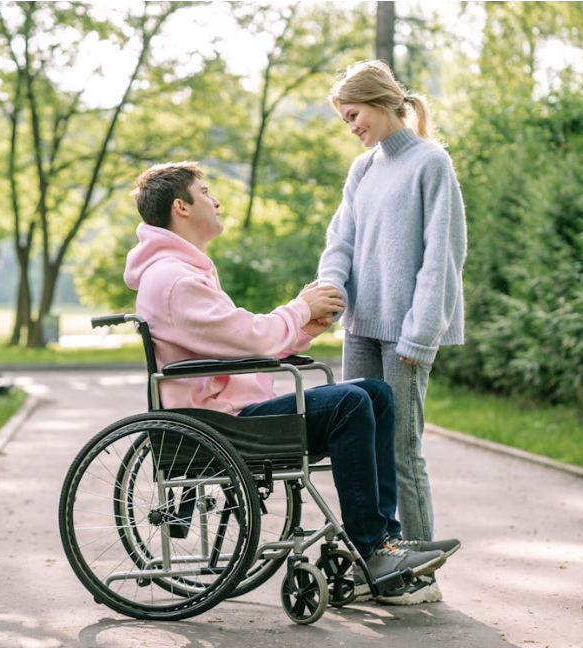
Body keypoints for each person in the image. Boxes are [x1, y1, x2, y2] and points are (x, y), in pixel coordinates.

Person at [123, 160, 450, 603]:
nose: (215, 200)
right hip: (218, 424)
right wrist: (300, 305)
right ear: (181, 207)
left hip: (225, 414)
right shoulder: (175, 280)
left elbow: (240, 342)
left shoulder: (185, 272)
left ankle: (384, 541)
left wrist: (306, 325)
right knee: (351, 402)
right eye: (205, 193)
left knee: (374, 393)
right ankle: (372, 548)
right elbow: (250, 335)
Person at [317, 60, 467, 604]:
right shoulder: (362, 170)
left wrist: (421, 334)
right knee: (361, 451)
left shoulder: (431, 162)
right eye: (345, 119)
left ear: (381, 103)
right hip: (360, 327)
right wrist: (330, 291)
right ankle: (376, 559)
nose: (351, 126)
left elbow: (442, 258)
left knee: (403, 451)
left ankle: (421, 571)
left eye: (353, 115)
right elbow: (342, 242)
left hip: (406, 336)